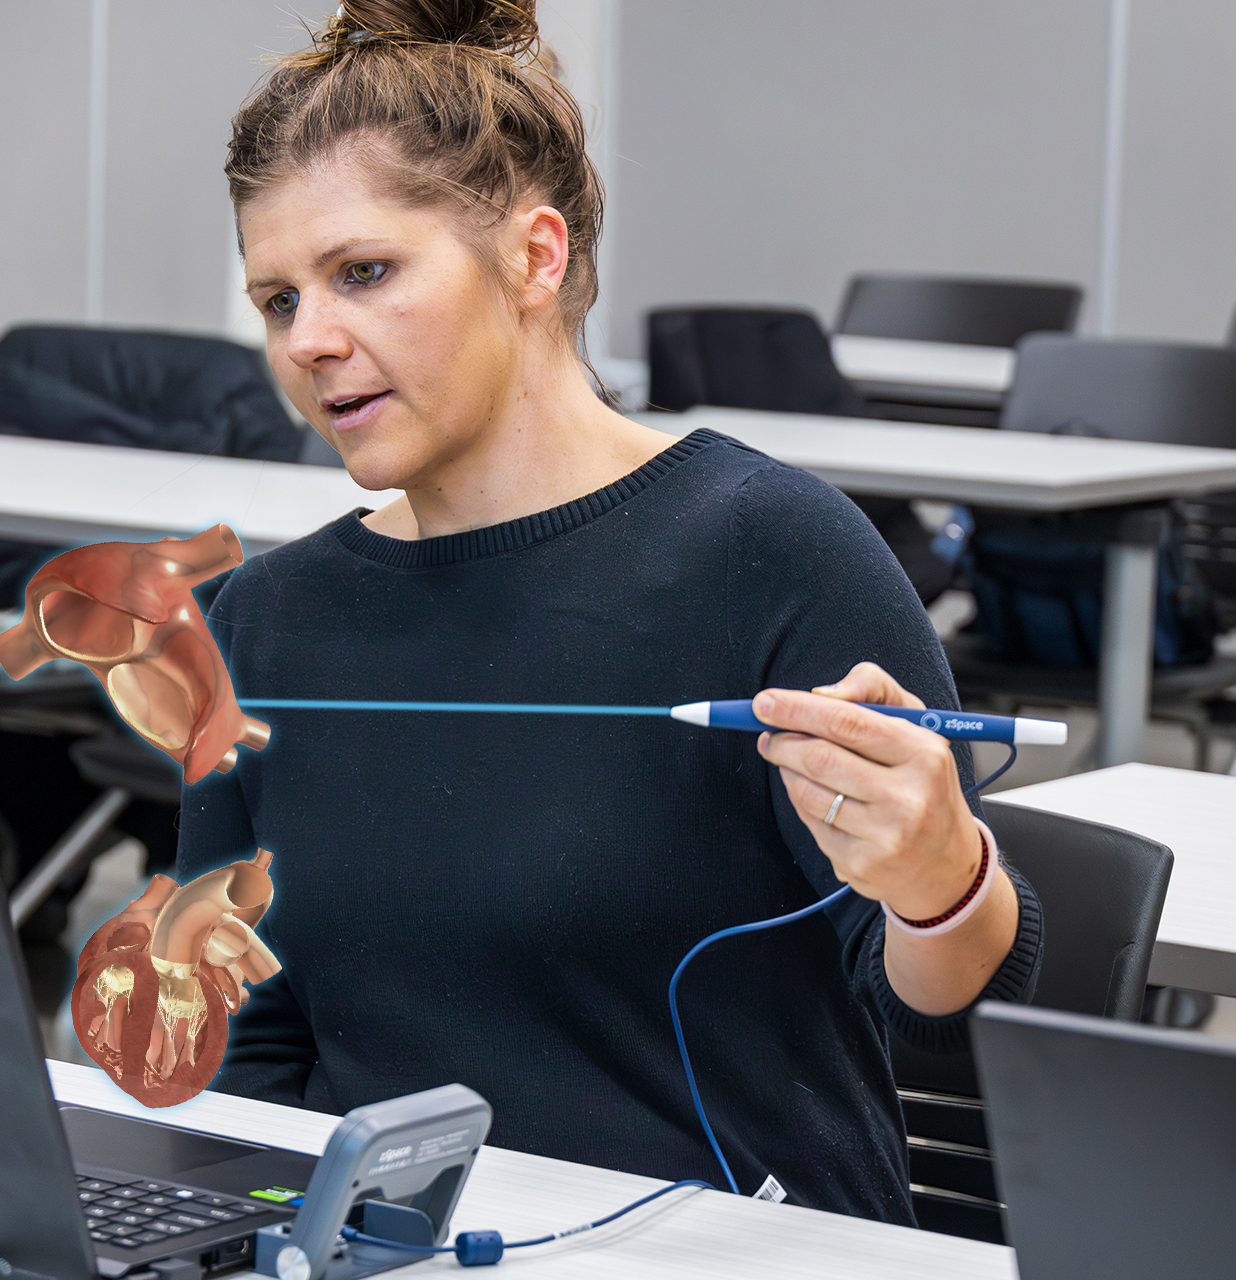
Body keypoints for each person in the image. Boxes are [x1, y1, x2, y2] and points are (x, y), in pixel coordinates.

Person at [174, 0, 1041, 1224]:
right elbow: (245, 1055)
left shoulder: (767, 548)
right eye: (277, 300)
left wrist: (940, 878)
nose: (311, 339)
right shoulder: (263, 620)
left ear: (533, 258)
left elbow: (958, 1031)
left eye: (363, 273)